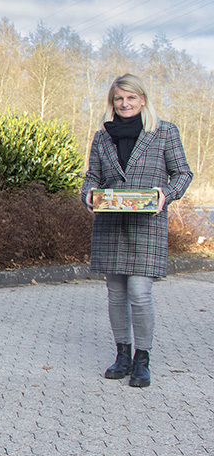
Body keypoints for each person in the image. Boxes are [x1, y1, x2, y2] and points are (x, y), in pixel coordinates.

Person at [82, 73, 191, 389]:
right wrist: (88, 194)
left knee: (140, 294)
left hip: (147, 225)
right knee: (115, 293)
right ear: (112, 103)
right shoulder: (102, 136)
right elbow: (92, 177)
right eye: (119, 99)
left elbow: (183, 174)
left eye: (131, 97)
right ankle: (123, 356)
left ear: (142, 99)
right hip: (111, 225)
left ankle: (143, 359)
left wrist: (164, 195)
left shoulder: (165, 131)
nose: (125, 103)